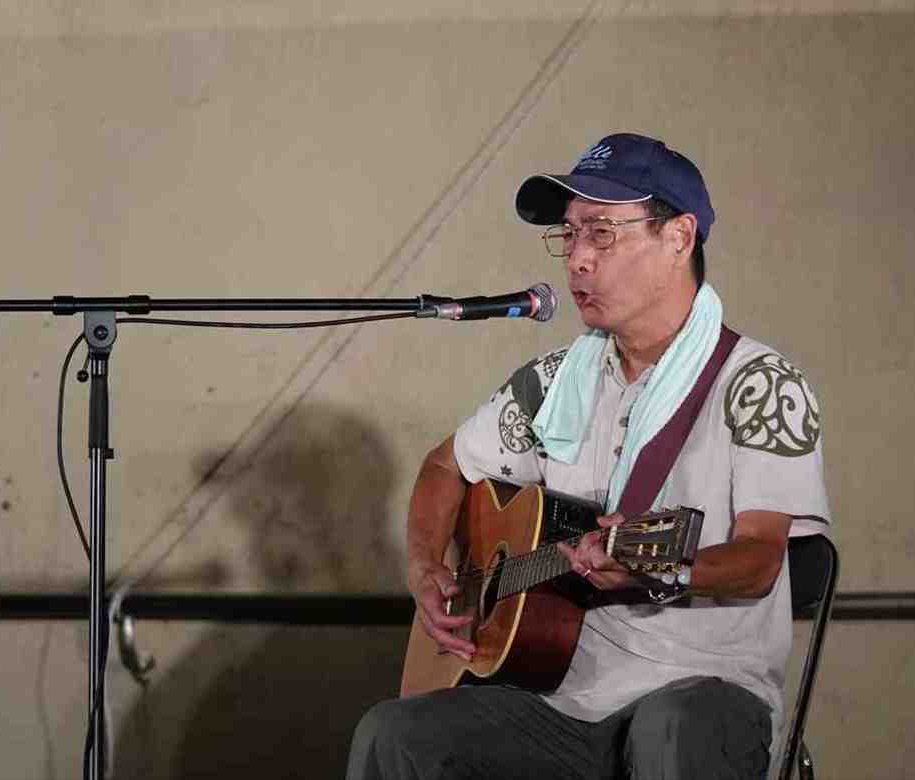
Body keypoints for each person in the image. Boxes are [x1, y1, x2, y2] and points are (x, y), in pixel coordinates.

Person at [346, 132, 831, 780]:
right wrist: (425, 566)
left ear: (679, 237)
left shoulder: (761, 386)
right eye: (569, 235)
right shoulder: (555, 383)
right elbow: (445, 467)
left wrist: (664, 568)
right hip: (563, 700)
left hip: (705, 694)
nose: (576, 259)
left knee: (669, 727)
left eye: (601, 233)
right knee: (395, 735)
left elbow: (760, 560)